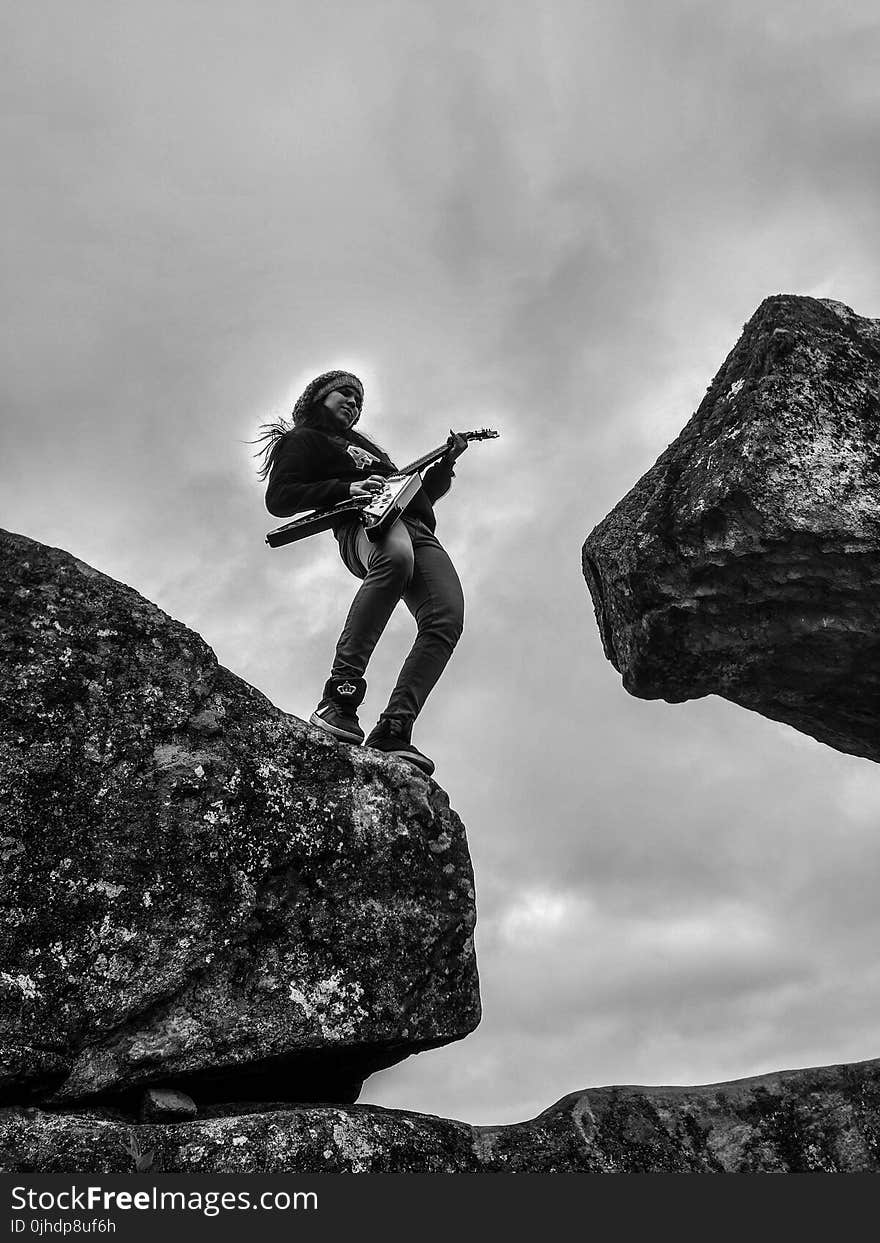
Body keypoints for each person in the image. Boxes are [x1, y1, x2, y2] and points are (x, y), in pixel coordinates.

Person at [255, 370, 468, 777]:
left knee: (447, 617)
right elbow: (280, 498)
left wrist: (447, 463)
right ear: (318, 398)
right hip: (363, 527)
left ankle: (394, 728)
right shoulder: (303, 440)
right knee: (396, 560)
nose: (353, 402)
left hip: (416, 526)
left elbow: (420, 495)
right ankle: (339, 698)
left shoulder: (371, 453)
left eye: (358, 399)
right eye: (345, 393)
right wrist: (345, 489)